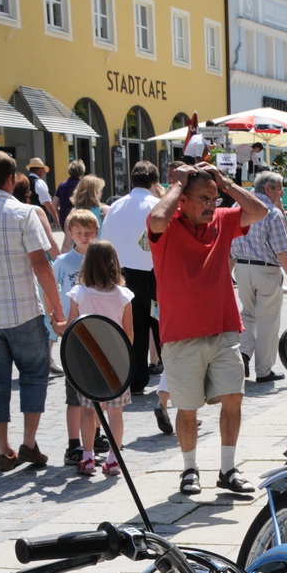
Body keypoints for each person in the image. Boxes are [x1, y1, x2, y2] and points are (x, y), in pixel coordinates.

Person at [147, 161, 267, 499]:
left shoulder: (222, 220)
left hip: (224, 328)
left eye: (213, 199)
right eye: (202, 198)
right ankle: (189, 469)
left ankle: (227, 469)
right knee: (187, 408)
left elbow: (258, 211)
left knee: (233, 396)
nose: (210, 205)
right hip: (181, 334)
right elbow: (157, 218)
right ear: (182, 200)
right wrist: (177, 184)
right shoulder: (166, 227)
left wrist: (225, 184)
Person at [0, 150, 64, 469]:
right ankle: (28, 443)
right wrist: (58, 309)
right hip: (23, 311)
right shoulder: (23, 213)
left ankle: (3, 448)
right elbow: (41, 264)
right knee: (34, 377)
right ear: (11, 180)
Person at [64, 239, 133, 478]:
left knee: (87, 410)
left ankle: (88, 456)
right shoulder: (123, 295)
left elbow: (72, 327)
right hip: (116, 362)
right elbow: (128, 333)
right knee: (116, 412)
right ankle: (114, 459)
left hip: (87, 361)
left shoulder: (79, 293)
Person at [230, 170, 287, 382]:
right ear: (267, 189)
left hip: (242, 268)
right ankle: (264, 370)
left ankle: (244, 353)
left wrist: (227, 272)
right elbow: (282, 251)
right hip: (266, 270)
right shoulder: (271, 212)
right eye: (279, 188)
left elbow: (229, 243)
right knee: (268, 320)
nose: (281, 192)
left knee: (248, 314)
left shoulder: (236, 206)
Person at [104, 159, 162, 396]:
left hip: (124, 274)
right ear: (155, 183)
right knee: (161, 327)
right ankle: (173, 379)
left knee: (134, 329)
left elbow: (106, 239)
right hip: (153, 275)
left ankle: (136, 381)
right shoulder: (157, 205)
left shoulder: (116, 206)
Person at [52, 208, 100, 464]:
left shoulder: (100, 260)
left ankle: (97, 435)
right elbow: (50, 289)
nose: (85, 237)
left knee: (100, 389)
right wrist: (55, 316)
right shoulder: (63, 262)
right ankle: (73, 444)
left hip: (99, 332)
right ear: (70, 233)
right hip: (73, 333)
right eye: (79, 233)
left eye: (89, 232)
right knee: (74, 393)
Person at [64, 174, 108, 241]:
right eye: (100, 191)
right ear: (96, 193)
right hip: (101, 249)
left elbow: (67, 243)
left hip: (81, 250)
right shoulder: (105, 211)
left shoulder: (73, 212)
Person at [26, 159, 57, 228]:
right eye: (43, 170)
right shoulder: (39, 182)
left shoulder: (25, 181)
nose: (44, 172)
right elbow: (47, 202)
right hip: (38, 217)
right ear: (39, 169)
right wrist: (55, 216)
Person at [54, 160, 85, 229]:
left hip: (64, 217)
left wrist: (59, 214)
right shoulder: (83, 185)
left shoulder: (62, 185)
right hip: (79, 217)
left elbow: (54, 204)